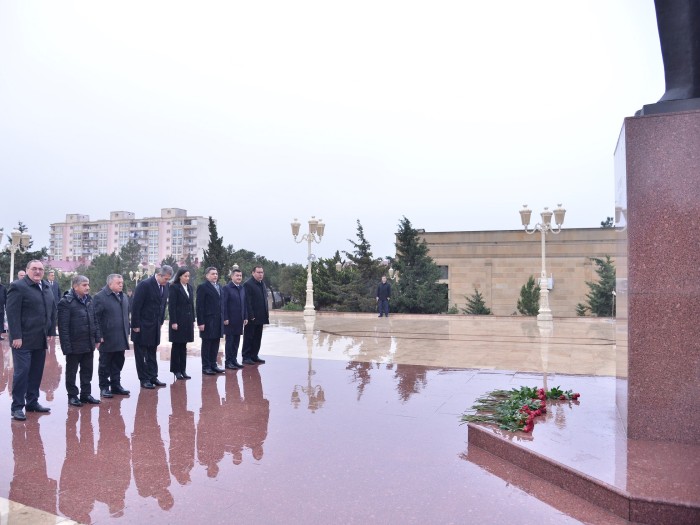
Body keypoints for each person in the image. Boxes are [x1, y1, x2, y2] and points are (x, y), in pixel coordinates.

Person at [6, 260, 57, 420]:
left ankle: (32, 403)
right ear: (27, 270)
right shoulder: (18, 287)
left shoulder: (47, 287)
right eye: (34, 269)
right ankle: (17, 407)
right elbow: (12, 313)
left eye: (40, 269)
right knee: (22, 373)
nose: (37, 271)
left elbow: (51, 310)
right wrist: (16, 336)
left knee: (36, 372)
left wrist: (50, 331)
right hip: (22, 340)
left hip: (40, 338)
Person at [58, 275, 102, 407]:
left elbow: (95, 320)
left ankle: (85, 394)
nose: (88, 287)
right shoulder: (66, 302)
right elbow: (63, 327)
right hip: (74, 344)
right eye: (84, 285)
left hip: (88, 342)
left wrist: (97, 337)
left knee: (87, 370)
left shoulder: (89, 300)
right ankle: (72, 396)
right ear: (75, 286)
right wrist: (66, 347)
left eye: (88, 284)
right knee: (72, 371)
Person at [131, 265, 172, 389]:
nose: (167, 281)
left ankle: (153, 377)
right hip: (142, 326)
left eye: (168, 279)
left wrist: (160, 322)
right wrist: (135, 325)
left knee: (152, 353)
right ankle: (144, 379)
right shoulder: (145, 285)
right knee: (141, 354)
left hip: (155, 326)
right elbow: (136, 306)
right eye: (165, 278)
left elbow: (163, 304)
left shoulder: (166, 286)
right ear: (159, 275)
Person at [94, 274, 131, 398]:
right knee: (105, 364)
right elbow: (96, 318)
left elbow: (126, 315)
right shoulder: (100, 297)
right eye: (118, 283)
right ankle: (104, 387)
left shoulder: (124, 296)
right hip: (107, 337)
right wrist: (98, 335)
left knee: (118, 361)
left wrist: (127, 331)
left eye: (122, 282)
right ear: (110, 284)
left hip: (121, 336)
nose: (121, 284)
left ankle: (116, 385)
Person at [196, 267, 225, 375]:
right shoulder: (202, 287)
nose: (215, 276)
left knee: (215, 343)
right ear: (207, 275)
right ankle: (206, 367)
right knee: (207, 344)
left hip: (218, 321)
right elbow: (199, 306)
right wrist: (200, 322)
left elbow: (222, 305)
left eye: (216, 274)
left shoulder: (219, 287)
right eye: (213, 274)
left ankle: (214, 364)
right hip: (207, 321)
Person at [169, 268, 194, 380]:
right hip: (178, 321)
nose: (187, 278)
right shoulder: (174, 287)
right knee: (176, 346)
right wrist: (174, 321)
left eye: (188, 276)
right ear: (180, 276)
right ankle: (176, 370)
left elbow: (191, 305)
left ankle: (183, 370)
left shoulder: (189, 287)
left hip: (187, 321)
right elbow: (172, 306)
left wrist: (193, 320)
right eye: (185, 276)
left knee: (184, 346)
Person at [241, 265, 269, 365]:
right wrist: (250, 315)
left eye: (262, 272)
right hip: (252, 317)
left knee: (257, 337)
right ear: (253, 273)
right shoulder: (248, 284)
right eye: (258, 272)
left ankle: (254, 355)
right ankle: (246, 357)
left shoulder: (262, 284)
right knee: (249, 337)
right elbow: (247, 302)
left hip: (261, 316)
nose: (260, 274)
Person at [223, 267, 247, 369]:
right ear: (232, 276)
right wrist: (225, 318)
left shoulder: (242, 288)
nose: (239, 277)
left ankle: (234, 360)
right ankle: (228, 362)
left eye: (240, 276)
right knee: (230, 342)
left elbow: (244, 304)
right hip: (230, 320)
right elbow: (223, 305)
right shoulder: (227, 288)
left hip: (239, 320)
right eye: (237, 275)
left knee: (236, 341)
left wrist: (245, 316)